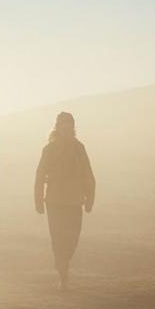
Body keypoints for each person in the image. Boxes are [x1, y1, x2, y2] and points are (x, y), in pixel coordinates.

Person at [34, 112, 96, 290]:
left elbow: (88, 174)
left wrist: (90, 198)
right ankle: (63, 273)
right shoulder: (49, 149)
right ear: (58, 127)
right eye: (63, 125)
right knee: (57, 238)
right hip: (54, 202)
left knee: (73, 239)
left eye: (69, 124)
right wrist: (38, 200)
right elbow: (39, 175)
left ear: (73, 127)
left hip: (75, 202)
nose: (67, 128)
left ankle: (63, 263)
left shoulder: (79, 149)